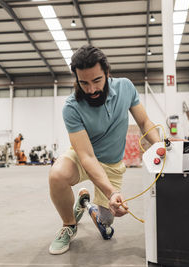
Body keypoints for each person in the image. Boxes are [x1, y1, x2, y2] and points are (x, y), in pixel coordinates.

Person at [48, 44, 160, 255]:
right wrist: (112, 192)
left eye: (97, 80)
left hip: (112, 163)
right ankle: (69, 225)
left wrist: (160, 147)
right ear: (76, 80)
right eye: (84, 83)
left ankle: (88, 206)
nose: (91, 89)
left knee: (107, 223)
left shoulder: (126, 87)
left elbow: (144, 122)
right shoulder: (72, 107)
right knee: (57, 175)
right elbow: (87, 157)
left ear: (107, 73)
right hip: (84, 157)